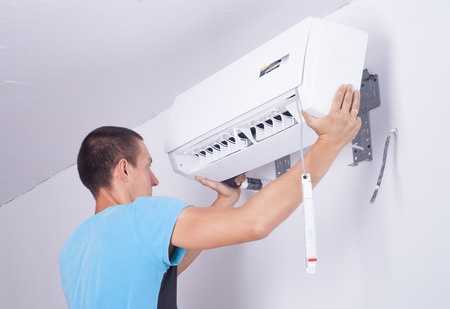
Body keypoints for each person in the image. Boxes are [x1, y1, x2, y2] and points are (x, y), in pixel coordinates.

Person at [59, 84, 361, 309]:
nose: (154, 180)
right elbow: (255, 223)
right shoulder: (140, 214)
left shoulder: (73, 250)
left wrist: (223, 202)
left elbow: (156, 270)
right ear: (123, 169)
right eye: (148, 166)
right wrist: (330, 142)